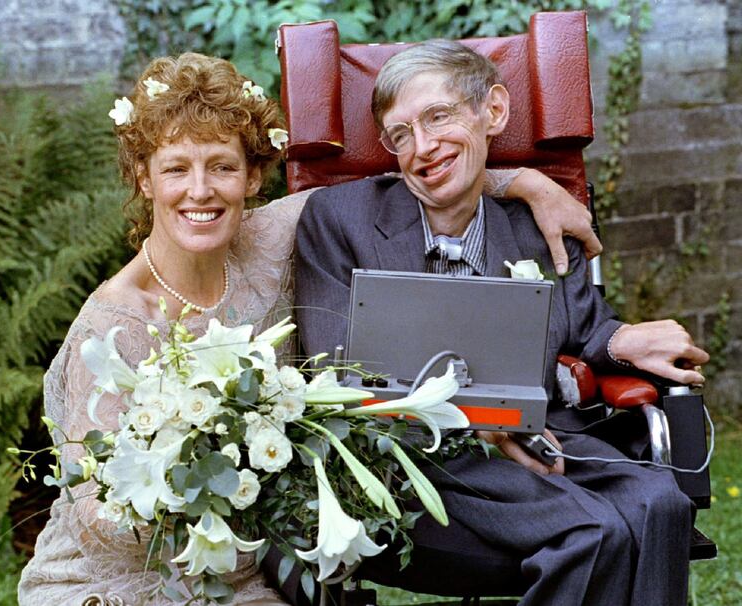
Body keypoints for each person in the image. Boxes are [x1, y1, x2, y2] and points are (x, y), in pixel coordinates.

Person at [17, 51, 598, 606]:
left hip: (245, 571)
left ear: (252, 177)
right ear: (145, 181)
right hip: (129, 578)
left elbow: (419, 180)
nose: (200, 191)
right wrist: (225, 465)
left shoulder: (274, 236)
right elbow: (98, 520)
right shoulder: (115, 325)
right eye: (176, 170)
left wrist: (528, 184)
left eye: (222, 166)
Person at [294, 40, 710, 605]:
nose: (423, 147)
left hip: (544, 437)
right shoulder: (339, 220)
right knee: (596, 533)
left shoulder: (535, 223)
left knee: (662, 502)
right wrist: (476, 421)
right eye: (400, 135)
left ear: (493, 111)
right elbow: (334, 367)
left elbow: (583, 327)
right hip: (418, 456)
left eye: (438, 117)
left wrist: (622, 341)